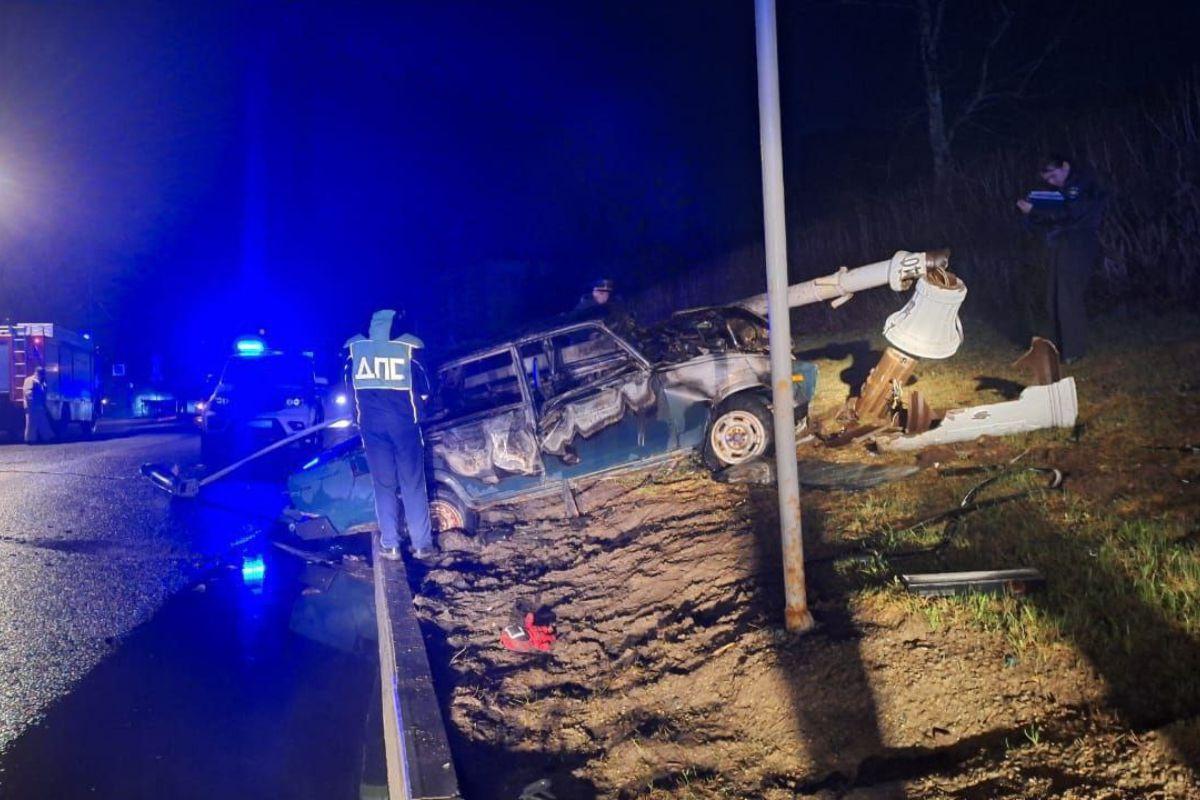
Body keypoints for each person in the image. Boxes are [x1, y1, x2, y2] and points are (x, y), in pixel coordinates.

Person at [345, 309, 436, 561]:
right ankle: (421, 546)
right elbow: (427, 387)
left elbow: (349, 391)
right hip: (405, 426)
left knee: (384, 486)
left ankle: (391, 545)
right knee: (413, 484)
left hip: (372, 428)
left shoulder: (354, 351)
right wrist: (419, 403)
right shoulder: (409, 348)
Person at [1017, 153, 1107, 364]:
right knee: (1052, 296)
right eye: (1047, 179)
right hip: (1062, 243)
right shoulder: (1065, 190)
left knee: (1068, 297)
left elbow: (1071, 214)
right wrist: (1031, 213)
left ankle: (1073, 351)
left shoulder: (1081, 184)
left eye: (1053, 176)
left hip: (1079, 243)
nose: (1051, 182)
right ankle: (1060, 347)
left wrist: (1036, 210)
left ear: (1065, 166)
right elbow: (1052, 220)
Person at [22, 367, 54, 444]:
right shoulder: (30, 380)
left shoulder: (40, 382)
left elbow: (43, 394)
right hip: (31, 406)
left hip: (39, 406)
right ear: (36, 372)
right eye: (41, 373)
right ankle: (29, 439)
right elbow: (28, 393)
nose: (42, 375)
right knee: (31, 423)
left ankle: (47, 437)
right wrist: (32, 403)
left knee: (43, 422)